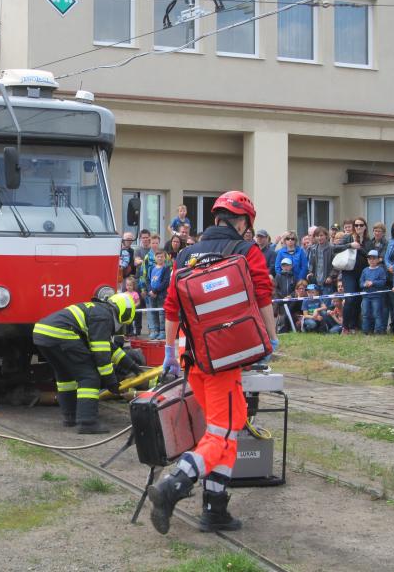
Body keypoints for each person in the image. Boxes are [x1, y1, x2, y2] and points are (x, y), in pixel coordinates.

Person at [150, 190, 277, 535]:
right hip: (225, 359)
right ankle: (173, 484)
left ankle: (215, 506)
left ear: (216, 219)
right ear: (243, 223)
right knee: (223, 430)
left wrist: (169, 352)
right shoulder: (248, 252)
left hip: (191, 356)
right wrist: (271, 338)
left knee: (222, 429)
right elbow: (263, 295)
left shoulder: (187, 254)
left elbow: (172, 306)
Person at [33, 293, 134, 434]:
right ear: (124, 313)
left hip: (41, 333)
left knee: (65, 376)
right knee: (89, 377)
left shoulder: (98, 310)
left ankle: (70, 416)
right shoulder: (104, 317)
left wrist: (132, 366)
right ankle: (87, 423)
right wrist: (111, 381)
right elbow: (101, 354)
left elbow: (109, 348)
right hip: (61, 334)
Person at [336, 217, 369, 334]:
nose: (358, 227)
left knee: (358, 300)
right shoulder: (348, 237)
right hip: (348, 273)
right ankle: (345, 327)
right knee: (350, 299)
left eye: (361, 225)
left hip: (363, 273)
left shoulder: (368, 240)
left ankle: (354, 325)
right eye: (356, 225)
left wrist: (359, 248)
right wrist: (350, 245)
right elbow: (335, 248)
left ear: (365, 227)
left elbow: (370, 255)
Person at [306, 226, 340, 296]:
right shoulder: (313, 249)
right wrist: (310, 272)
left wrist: (331, 276)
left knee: (326, 304)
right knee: (318, 304)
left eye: (321, 235)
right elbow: (311, 263)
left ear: (326, 236)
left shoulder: (331, 248)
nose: (319, 238)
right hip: (316, 281)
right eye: (317, 236)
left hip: (327, 282)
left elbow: (336, 265)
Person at [359, 250, 387, 334]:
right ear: (367, 260)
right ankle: (366, 330)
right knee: (365, 313)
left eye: (374, 258)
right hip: (366, 296)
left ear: (378, 260)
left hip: (377, 296)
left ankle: (379, 330)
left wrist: (373, 283)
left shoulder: (381, 270)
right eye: (369, 259)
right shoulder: (365, 270)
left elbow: (383, 281)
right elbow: (360, 283)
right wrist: (365, 284)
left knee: (377, 314)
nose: (371, 260)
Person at [146, 250, 170, 340]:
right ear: (155, 258)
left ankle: (162, 331)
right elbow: (148, 280)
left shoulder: (166, 268)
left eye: (162, 256)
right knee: (153, 313)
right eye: (158, 256)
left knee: (161, 313)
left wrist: (155, 291)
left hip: (161, 295)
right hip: (151, 295)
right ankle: (155, 331)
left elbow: (165, 282)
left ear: (165, 258)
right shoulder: (151, 268)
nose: (160, 258)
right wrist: (150, 291)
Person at [274, 257, 297, 333]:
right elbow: (276, 289)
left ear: (291, 266)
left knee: (290, 315)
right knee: (282, 316)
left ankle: (291, 328)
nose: (285, 267)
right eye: (284, 265)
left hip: (291, 301)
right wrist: (282, 298)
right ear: (281, 267)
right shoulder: (278, 276)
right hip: (281, 301)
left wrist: (291, 296)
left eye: (287, 265)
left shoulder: (293, 276)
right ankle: (281, 330)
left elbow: (295, 289)